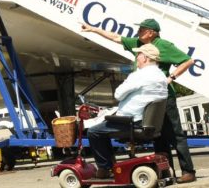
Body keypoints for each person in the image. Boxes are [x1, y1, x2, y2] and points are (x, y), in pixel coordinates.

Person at [82, 18, 197, 183]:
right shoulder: (138, 43)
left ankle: (188, 171)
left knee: (175, 135)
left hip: (163, 97)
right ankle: (165, 171)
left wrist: (171, 77)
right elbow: (116, 38)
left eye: (142, 30)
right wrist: (93, 29)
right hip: (149, 97)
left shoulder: (163, 45)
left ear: (151, 32)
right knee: (158, 136)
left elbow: (188, 60)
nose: (138, 32)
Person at [86, 44, 168, 179]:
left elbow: (118, 95)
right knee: (102, 129)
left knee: (94, 132)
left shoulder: (139, 75)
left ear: (145, 58)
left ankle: (105, 168)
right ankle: (110, 165)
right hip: (148, 122)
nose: (136, 58)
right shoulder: (161, 77)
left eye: (138, 55)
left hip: (131, 121)